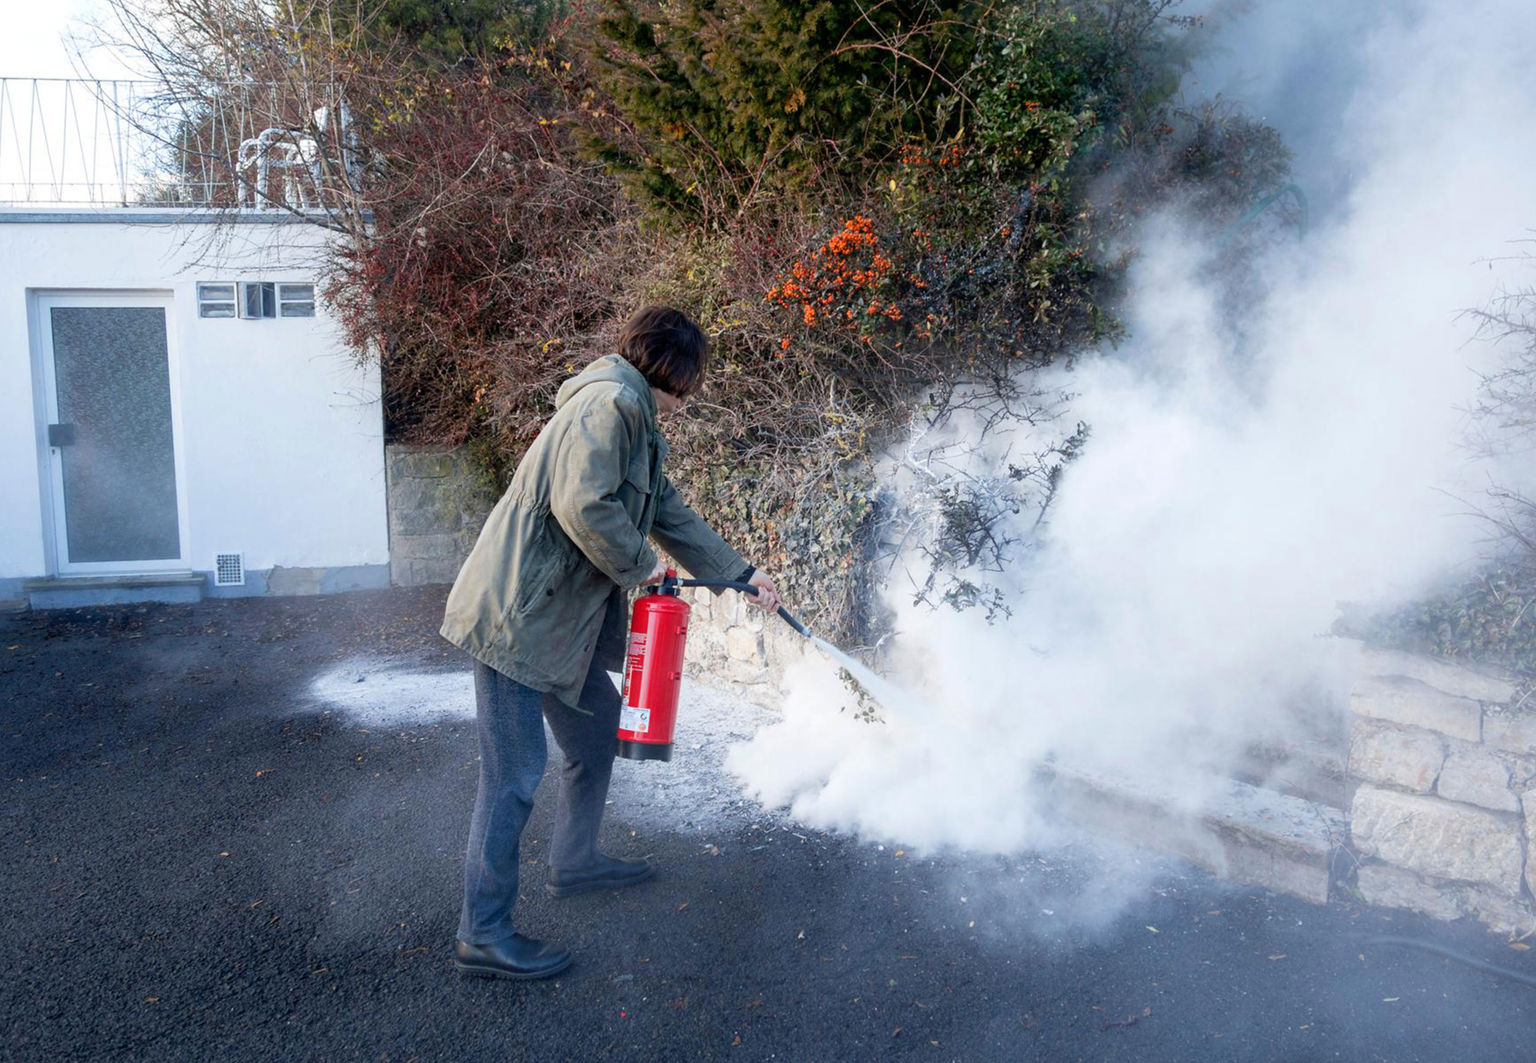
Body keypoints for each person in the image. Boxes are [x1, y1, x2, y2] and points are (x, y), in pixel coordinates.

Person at [440, 306, 780, 980]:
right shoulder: (613, 404)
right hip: (516, 616)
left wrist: (740, 574)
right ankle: (481, 931)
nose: (688, 400)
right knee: (511, 776)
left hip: (552, 626)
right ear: (672, 371)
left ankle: (575, 861)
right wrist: (642, 565)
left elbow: (669, 512)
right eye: (689, 383)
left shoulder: (634, 420)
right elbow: (583, 502)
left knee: (594, 738)